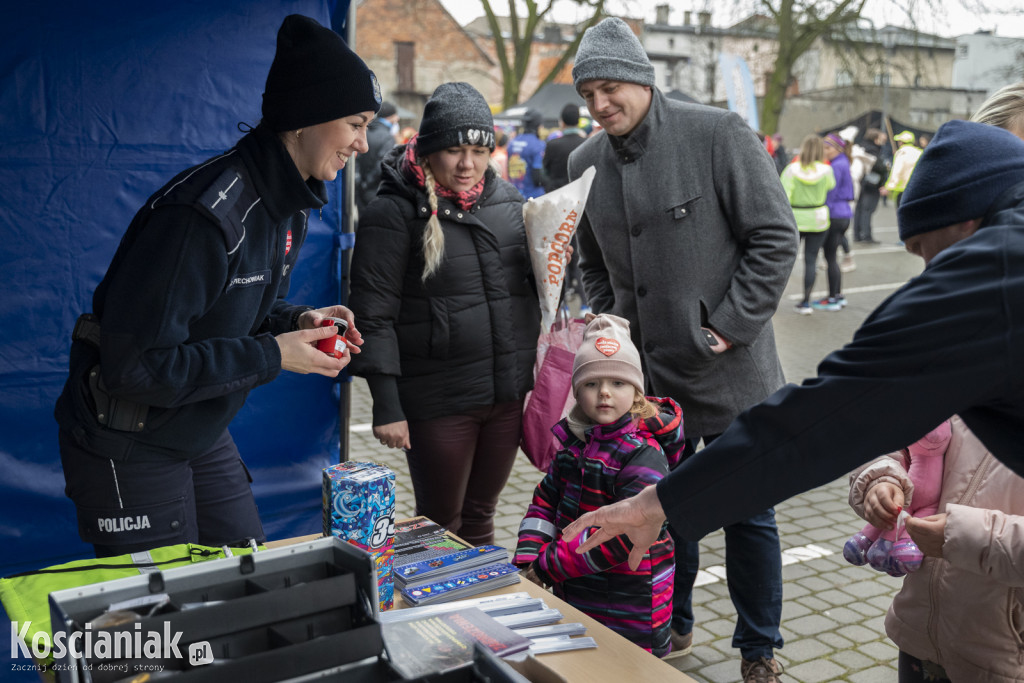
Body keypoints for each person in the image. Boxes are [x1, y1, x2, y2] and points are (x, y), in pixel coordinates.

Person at [560, 122, 1024, 681]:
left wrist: (656, 505)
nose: (930, 276)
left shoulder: (998, 265)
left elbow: (827, 414)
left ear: (966, 220)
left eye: (930, 255)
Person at [53, 14, 377, 557]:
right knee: (169, 628)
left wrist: (297, 322)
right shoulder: (200, 219)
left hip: (194, 429)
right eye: (356, 123)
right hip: (129, 439)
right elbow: (134, 368)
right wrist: (274, 355)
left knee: (245, 577)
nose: (365, 144)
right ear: (304, 119)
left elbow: (243, 306)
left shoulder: (288, 204)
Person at [565, 17, 798, 681]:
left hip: (729, 370)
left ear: (642, 79)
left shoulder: (717, 134)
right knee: (662, 509)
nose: (600, 104)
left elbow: (775, 236)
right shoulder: (585, 163)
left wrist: (725, 324)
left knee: (749, 514)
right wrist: (613, 335)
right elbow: (591, 263)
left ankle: (759, 649)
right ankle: (672, 624)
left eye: (610, 88)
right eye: (588, 94)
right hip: (650, 382)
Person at [347, 82, 540, 546]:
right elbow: (372, 314)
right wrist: (387, 404)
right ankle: (432, 615)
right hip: (438, 400)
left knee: (481, 516)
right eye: (453, 150)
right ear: (428, 150)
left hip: (506, 395)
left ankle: (481, 614)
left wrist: (551, 262)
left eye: (478, 150)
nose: (467, 164)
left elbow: (520, 292)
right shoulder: (394, 211)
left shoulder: (508, 203)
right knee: (438, 524)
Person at [513, 314, 685, 657]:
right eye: (592, 384)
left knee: (627, 668)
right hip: (577, 584)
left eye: (618, 383)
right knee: (583, 661)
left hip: (632, 601)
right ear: (577, 391)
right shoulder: (575, 447)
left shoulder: (642, 455)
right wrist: (530, 553)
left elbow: (623, 534)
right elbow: (544, 502)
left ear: (636, 392)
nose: (604, 392)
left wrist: (546, 566)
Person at [848, 416, 1024, 682]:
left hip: (1002, 654)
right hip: (919, 634)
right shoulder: (974, 382)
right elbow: (906, 439)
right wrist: (882, 477)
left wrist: (966, 536)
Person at [542, 103, 590, 313]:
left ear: (561, 121)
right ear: (579, 120)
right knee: (580, 250)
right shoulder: (586, 144)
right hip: (581, 204)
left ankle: (561, 299)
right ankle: (585, 301)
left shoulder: (553, 145)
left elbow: (545, 171)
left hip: (557, 203)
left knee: (559, 249)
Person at [781, 134, 835, 315]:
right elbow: (830, 186)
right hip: (818, 218)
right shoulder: (826, 170)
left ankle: (770, 299)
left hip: (796, 218)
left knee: (783, 260)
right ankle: (806, 301)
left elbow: (783, 195)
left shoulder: (791, 169)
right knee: (811, 260)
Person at [812, 133, 854, 311]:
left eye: (828, 148)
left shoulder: (836, 166)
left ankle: (832, 298)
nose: (825, 151)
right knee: (832, 257)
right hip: (843, 213)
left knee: (830, 257)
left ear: (837, 148)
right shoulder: (843, 162)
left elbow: (831, 191)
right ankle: (837, 295)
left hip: (835, 214)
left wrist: (820, 208)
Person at [355, 100, 397, 216]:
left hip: (360, 190)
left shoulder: (366, 133)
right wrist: (367, 183)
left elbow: (356, 159)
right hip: (375, 189)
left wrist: (360, 182)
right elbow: (382, 164)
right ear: (391, 117)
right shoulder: (388, 137)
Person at [852, 127, 889, 244]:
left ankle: (857, 234)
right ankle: (866, 235)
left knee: (859, 209)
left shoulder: (861, 147)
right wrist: (885, 167)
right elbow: (878, 167)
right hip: (870, 184)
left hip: (860, 183)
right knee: (867, 210)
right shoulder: (872, 150)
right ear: (875, 138)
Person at [507, 108, 546, 199]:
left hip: (514, 195)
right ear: (538, 126)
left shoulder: (512, 143)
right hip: (534, 196)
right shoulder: (538, 144)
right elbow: (537, 176)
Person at [882, 130, 922, 209]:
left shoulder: (901, 152)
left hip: (902, 189)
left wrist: (889, 186)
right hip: (915, 188)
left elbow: (897, 170)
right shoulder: (920, 152)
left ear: (901, 142)